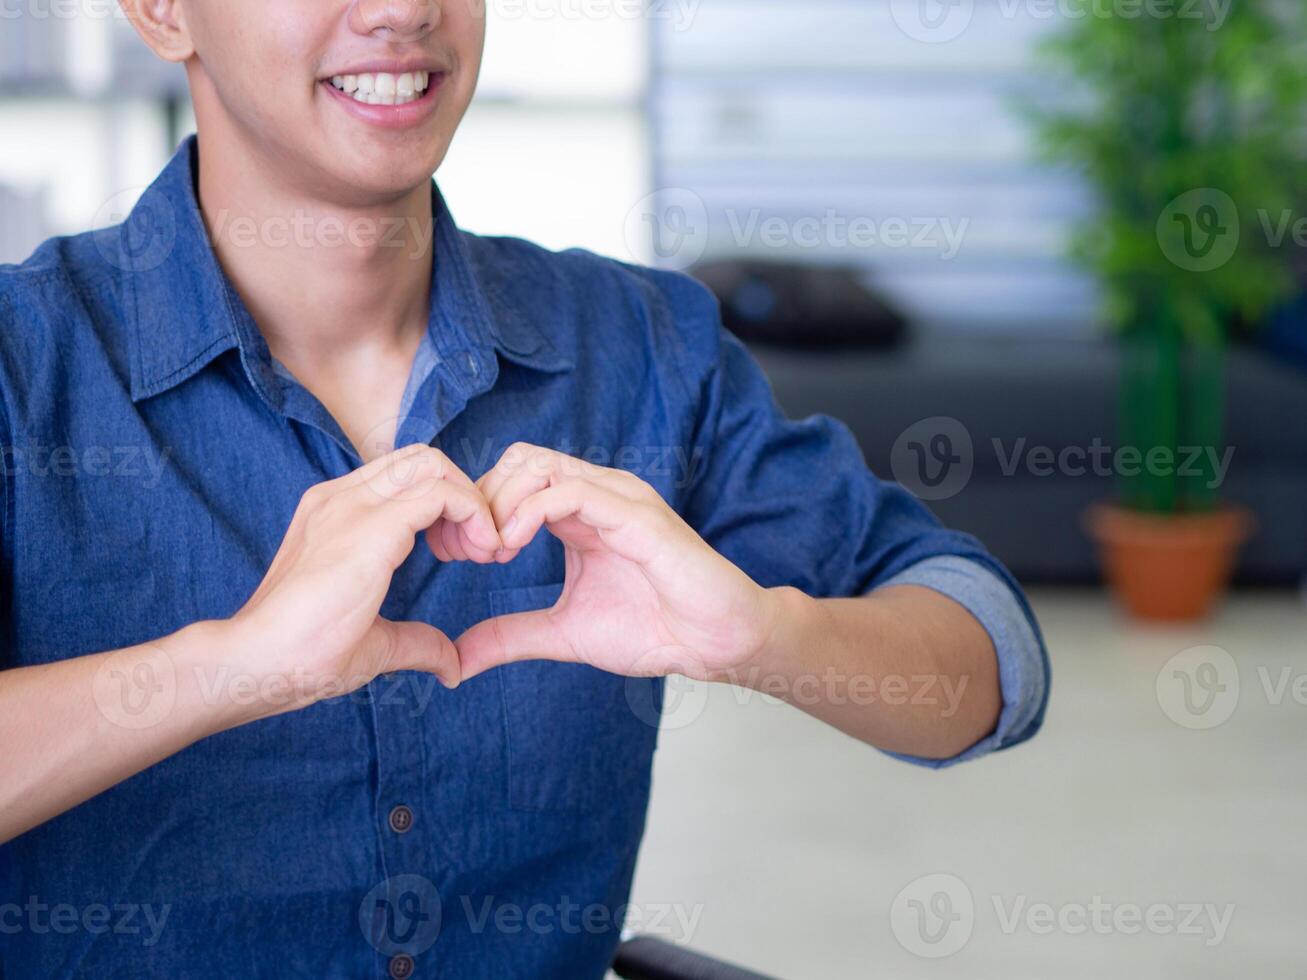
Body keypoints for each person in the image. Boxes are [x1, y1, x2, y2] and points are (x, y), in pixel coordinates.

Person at [0, 0, 1050, 976]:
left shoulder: (641, 345)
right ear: (160, 10)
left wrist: (764, 634)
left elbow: (984, 665)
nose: (403, 12)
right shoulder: (22, 363)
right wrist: (228, 665)